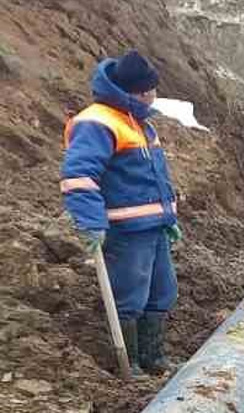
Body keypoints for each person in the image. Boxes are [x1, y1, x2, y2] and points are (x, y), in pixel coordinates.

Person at [61, 50, 182, 376]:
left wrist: (168, 216)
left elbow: (155, 177)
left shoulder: (141, 123)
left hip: (152, 226)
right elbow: (79, 176)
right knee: (130, 294)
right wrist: (90, 222)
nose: (153, 96)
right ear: (134, 91)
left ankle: (154, 358)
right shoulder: (97, 122)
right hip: (126, 230)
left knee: (161, 291)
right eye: (149, 91)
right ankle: (130, 367)